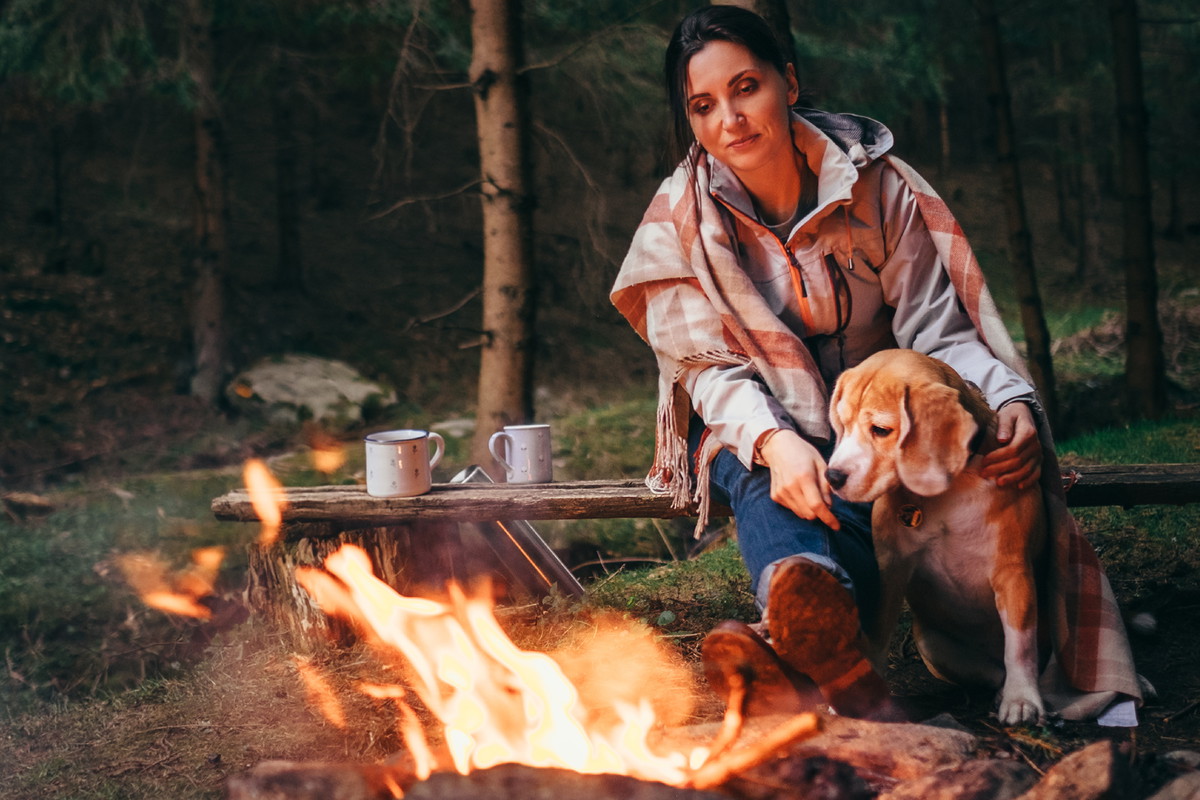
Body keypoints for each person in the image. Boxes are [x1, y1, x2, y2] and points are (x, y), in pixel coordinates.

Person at [611, 5, 1142, 723]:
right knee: (765, 475)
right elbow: (710, 372)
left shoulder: (877, 188)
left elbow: (939, 333)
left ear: (788, 82)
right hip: (764, 424)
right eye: (703, 106)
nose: (730, 119)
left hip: (886, 428)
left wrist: (1008, 401)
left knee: (897, 507)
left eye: (746, 87)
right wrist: (780, 442)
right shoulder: (681, 222)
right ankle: (804, 603)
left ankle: (801, 647)